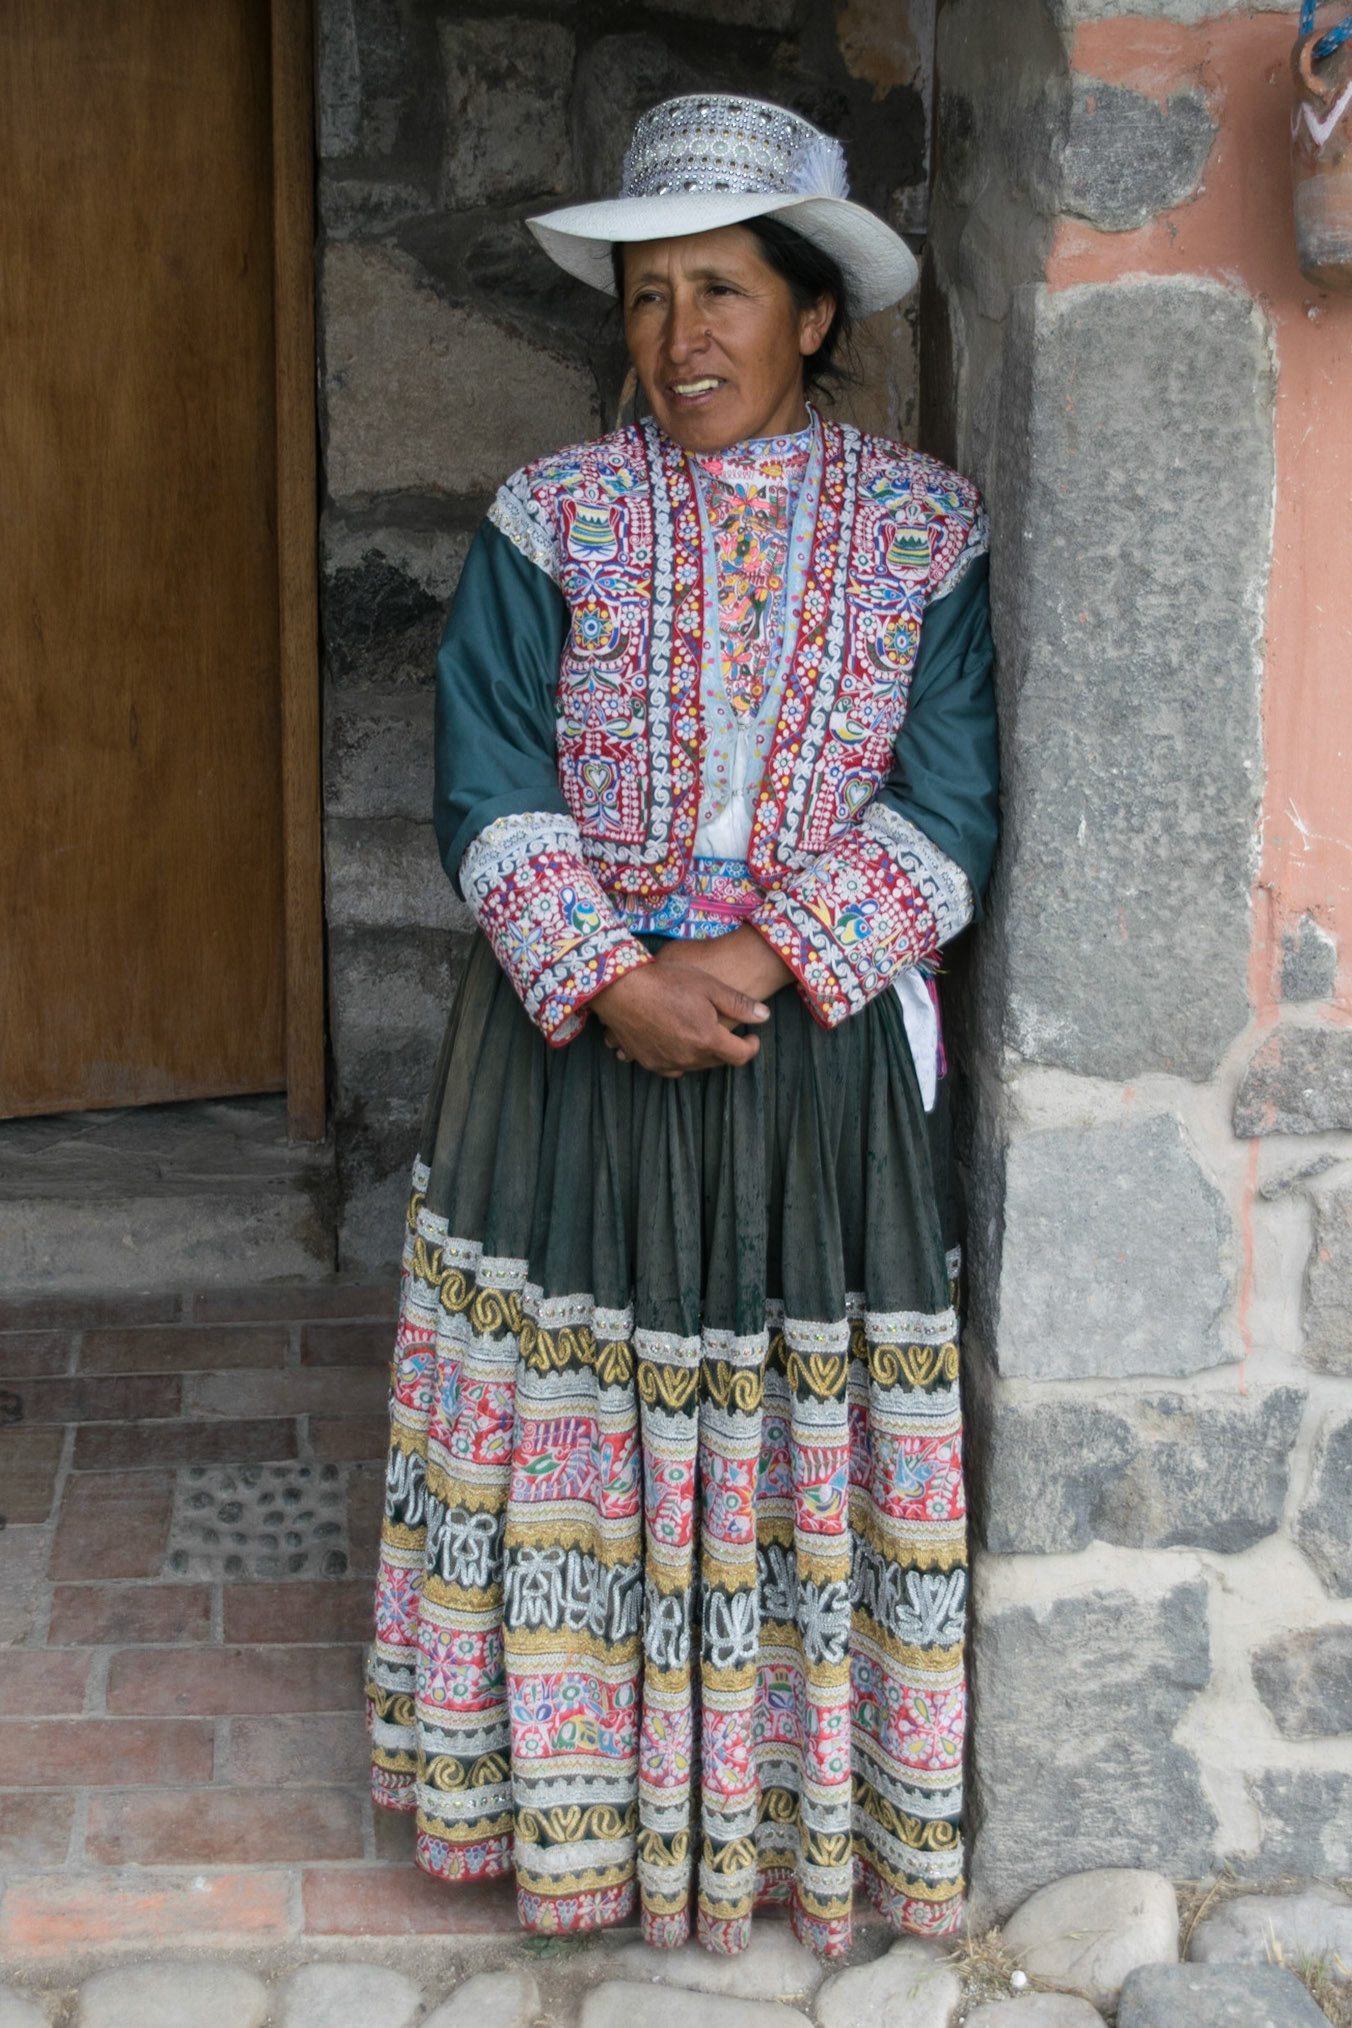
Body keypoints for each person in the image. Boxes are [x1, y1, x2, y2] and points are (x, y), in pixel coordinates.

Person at [365, 93, 997, 1961]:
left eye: (721, 292)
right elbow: (484, 776)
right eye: (647, 300)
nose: (680, 341)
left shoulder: (924, 531)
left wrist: (771, 958)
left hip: (811, 1070)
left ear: (813, 314)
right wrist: (615, 978)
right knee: (579, 1431)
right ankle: (566, 1815)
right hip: (571, 1064)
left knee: (775, 1453)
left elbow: (948, 803)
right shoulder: (549, 517)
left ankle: (778, 1818)